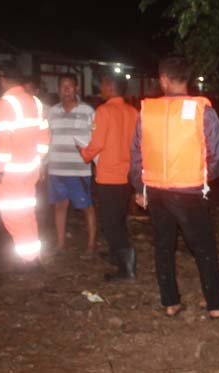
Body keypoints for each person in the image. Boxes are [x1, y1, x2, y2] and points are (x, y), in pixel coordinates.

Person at [130, 56, 219, 318]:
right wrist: (205, 176)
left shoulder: (147, 110)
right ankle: (217, 304)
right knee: (203, 247)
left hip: (156, 190)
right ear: (187, 78)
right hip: (189, 191)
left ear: (163, 79)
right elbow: (218, 152)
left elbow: (136, 152)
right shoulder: (202, 110)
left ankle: (170, 301)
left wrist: (140, 187)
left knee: (163, 246)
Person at [78, 74, 137, 280]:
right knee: (118, 218)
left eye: (102, 85)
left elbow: (97, 144)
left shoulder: (104, 111)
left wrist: (83, 152)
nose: (100, 88)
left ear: (110, 88)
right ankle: (116, 254)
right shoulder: (132, 111)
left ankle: (126, 268)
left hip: (109, 176)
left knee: (111, 223)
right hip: (127, 175)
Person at [0, 61, 50, 265]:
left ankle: (26, 260)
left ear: (2, 78)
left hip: (11, 173)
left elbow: (3, 141)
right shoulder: (35, 101)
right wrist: (39, 160)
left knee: (14, 216)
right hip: (30, 169)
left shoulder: (5, 103)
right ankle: (33, 256)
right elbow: (45, 136)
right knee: (27, 213)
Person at [46, 74, 96, 254]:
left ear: (76, 89)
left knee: (86, 207)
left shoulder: (88, 111)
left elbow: (95, 139)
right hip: (56, 168)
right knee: (59, 206)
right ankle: (60, 245)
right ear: (58, 89)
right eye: (62, 86)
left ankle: (90, 245)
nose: (66, 90)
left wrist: (94, 162)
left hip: (79, 169)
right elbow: (46, 139)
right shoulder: (51, 112)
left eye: (70, 86)